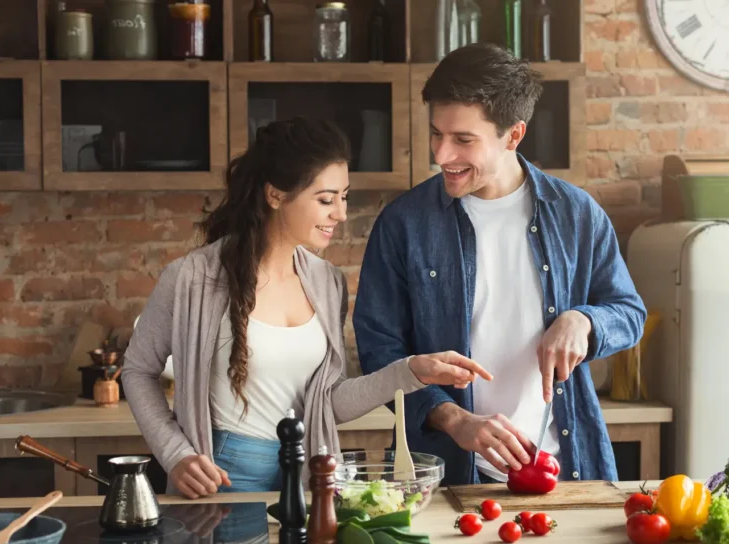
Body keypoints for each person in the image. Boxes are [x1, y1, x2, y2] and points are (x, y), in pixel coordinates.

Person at [122, 117, 492, 499]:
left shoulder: (327, 282)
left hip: (309, 475)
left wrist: (412, 371)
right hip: (225, 475)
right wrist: (175, 454)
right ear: (276, 195)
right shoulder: (192, 278)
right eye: (326, 199)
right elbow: (137, 370)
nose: (341, 214)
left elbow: (327, 403)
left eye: (343, 197)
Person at [352, 44, 647, 486]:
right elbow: (380, 351)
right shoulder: (404, 224)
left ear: (514, 134)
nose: (441, 155)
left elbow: (629, 313)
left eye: (463, 140)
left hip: (564, 470)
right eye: (436, 134)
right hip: (447, 477)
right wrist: (453, 419)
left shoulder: (577, 214)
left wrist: (582, 321)